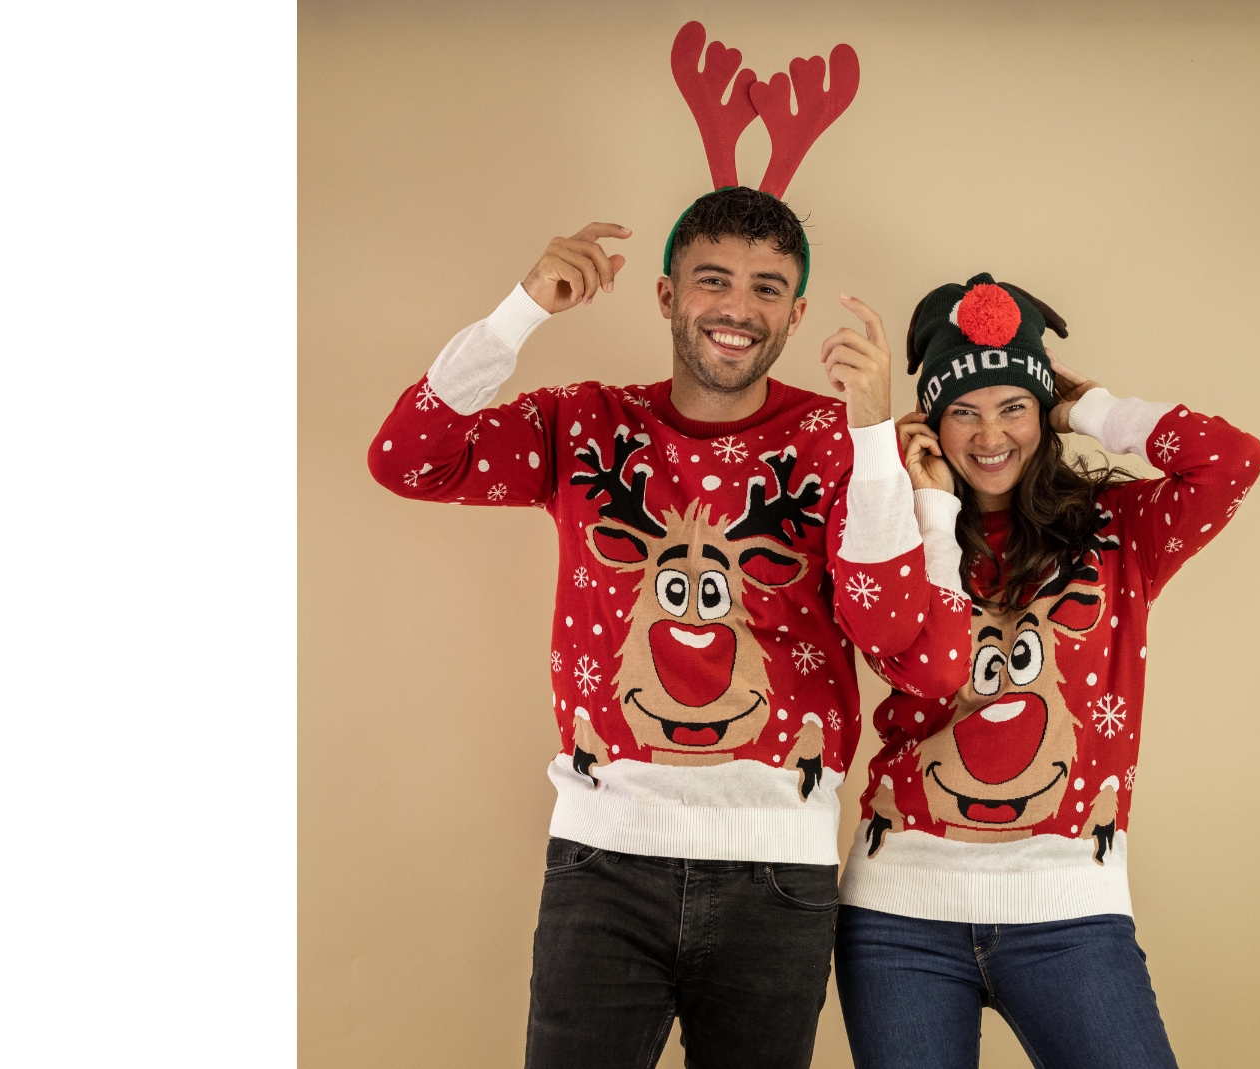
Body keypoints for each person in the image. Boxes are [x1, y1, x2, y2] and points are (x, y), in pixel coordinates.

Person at [365, 188, 969, 1069]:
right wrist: (523, 307)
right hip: (602, 864)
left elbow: (894, 641)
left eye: (768, 288)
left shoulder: (835, 442)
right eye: (713, 280)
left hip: (778, 877)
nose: (737, 308)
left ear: (797, 314)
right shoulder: (583, 423)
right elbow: (409, 456)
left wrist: (874, 434)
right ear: (665, 295)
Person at [832, 273, 1260, 1068]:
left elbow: (1230, 461)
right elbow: (928, 668)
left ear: (1042, 413)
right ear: (933, 421)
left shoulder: (1117, 534)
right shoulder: (880, 517)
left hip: (1071, 910)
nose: (989, 433)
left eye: (1014, 406)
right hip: (901, 913)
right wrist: (927, 505)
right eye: (963, 409)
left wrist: (1090, 406)